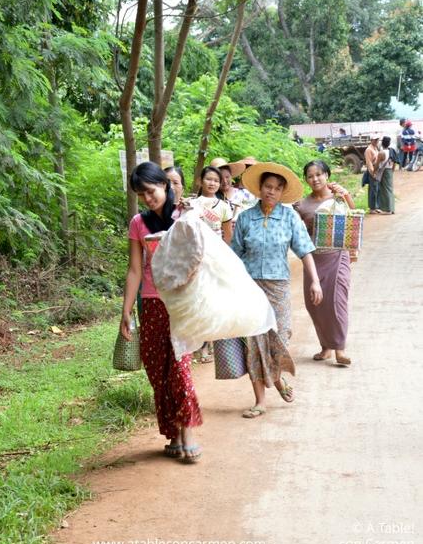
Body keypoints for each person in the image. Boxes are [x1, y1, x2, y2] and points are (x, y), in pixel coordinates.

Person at [119, 162, 202, 462]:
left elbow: (200, 259)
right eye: (141, 194)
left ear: (165, 186)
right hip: (151, 304)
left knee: (179, 369)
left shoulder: (185, 215)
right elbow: (134, 270)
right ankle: (174, 433)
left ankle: (189, 431)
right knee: (157, 372)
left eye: (151, 191)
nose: (148, 198)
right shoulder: (137, 224)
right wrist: (126, 311)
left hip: (181, 303)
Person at [231, 162, 323, 418]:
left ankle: (278, 378)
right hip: (249, 288)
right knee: (254, 343)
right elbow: (234, 255)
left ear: (282, 192)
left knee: (279, 338)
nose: (271, 192)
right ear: (259, 189)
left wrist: (315, 281)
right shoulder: (246, 218)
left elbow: (304, 251)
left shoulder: (290, 217)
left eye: (276, 188)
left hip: (278, 285)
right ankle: (260, 400)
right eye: (267, 187)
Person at [294, 160, 354, 366]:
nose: (315, 179)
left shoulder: (338, 196)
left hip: (337, 255)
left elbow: (353, 218)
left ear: (327, 175)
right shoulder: (302, 204)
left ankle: (340, 349)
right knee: (316, 304)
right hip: (313, 259)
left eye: (319, 174)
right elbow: (297, 230)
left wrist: (345, 195)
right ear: (306, 180)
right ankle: (326, 346)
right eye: (310, 176)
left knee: (337, 302)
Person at [191, 166, 233, 363]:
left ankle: (209, 343)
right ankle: (200, 344)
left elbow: (228, 236)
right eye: (208, 179)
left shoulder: (224, 207)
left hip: (215, 260)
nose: (212, 183)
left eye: (216, 180)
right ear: (201, 180)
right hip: (196, 259)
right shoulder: (192, 204)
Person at [210, 157, 246, 223]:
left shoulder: (243, 193)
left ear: (231, 176)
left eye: (227, 177)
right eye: (221, 178)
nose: (225, 181)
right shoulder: (211, 197)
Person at [374, 137, 395, 214]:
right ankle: (392, 208)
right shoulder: (391, 151)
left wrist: (374, 171)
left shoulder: (381, 153)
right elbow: (394, 161)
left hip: (384, 172)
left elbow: (377, 164)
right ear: (389, 144)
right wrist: (392, 170)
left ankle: (387, 209)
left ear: (382, 143)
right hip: (389, 171)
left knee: (385, 190)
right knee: (390, 189)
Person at [364, 135, 381, 213]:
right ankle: (372, 208)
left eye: (377, 139)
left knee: (377, 189)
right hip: (373, 170)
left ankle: (376, 206)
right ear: (371, 140)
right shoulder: (368, 150)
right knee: (373, 189)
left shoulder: (376, 148)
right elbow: (369, 162)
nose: (376, 141)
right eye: (375, 140)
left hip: (377, 170)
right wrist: (372, 173)